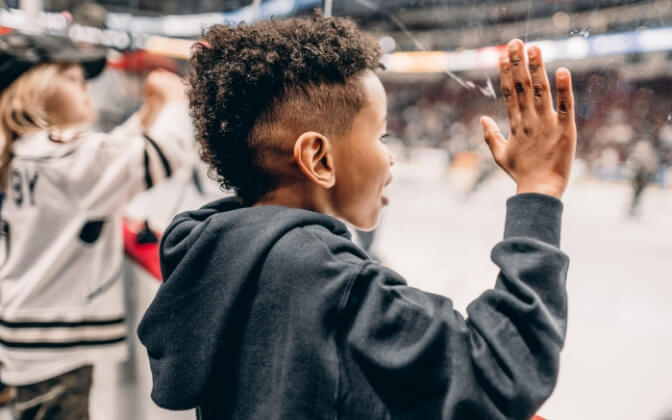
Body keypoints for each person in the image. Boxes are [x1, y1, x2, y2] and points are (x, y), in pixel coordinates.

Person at [138, 12, 577, 420]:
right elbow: (502, 371)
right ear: (319, 159)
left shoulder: (223, 256)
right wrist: (539, 191)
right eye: (381, 134)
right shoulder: (330, 282)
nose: (390, 160)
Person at [0, 31, 193, 419]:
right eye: (72, 80)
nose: (86, 88)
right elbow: (159, 154)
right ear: (36, 93)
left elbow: (105, 163)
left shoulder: (33, 152)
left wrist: (145, 115)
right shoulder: (66, 157)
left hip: (30, 336)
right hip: (53, 347)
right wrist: (175, 100)